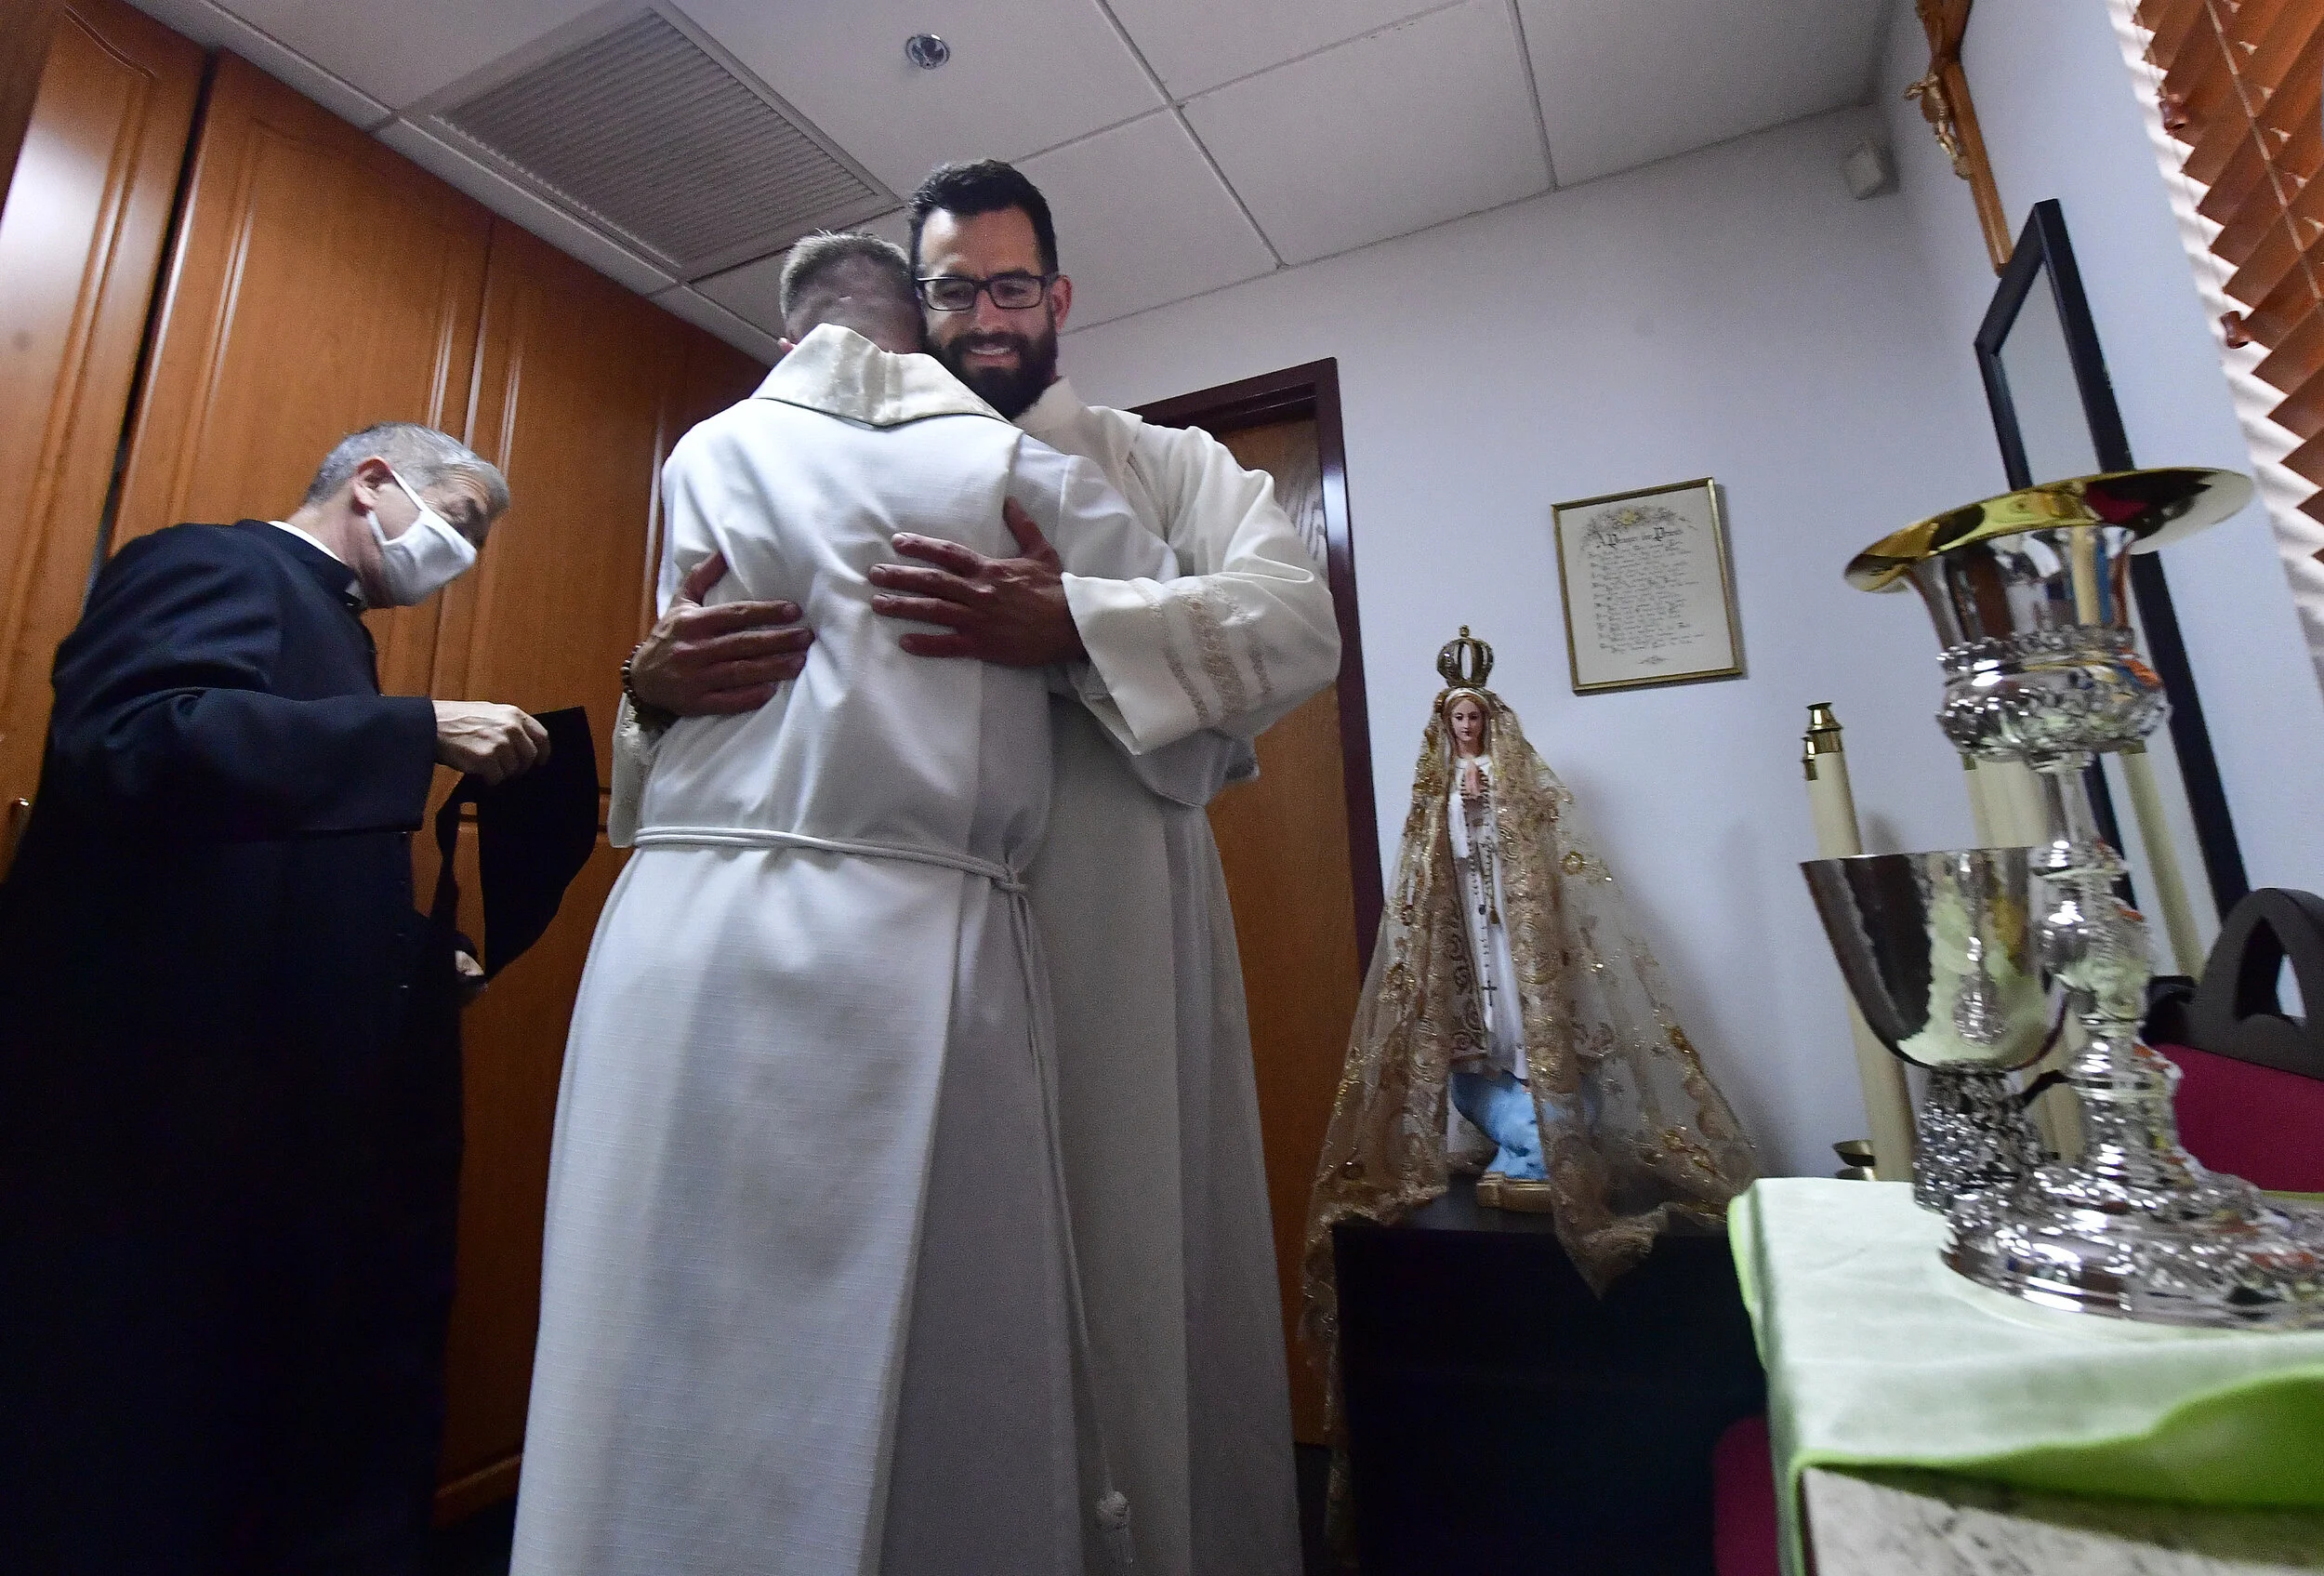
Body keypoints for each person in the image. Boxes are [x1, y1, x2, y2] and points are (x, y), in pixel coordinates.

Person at [620, 161, 1342, 1574]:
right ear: (916, 301)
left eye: (1014, 287)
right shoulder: (816, 469)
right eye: (956, 290)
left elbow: (1296, 622)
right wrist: (648, 690)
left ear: (1059, 297)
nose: (987, 316)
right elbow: (749, 741)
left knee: (1117, 1263)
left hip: (1110, 926)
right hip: (898, 967)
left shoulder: (1158, 464)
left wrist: (1071, 620)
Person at [509, 233, 1190, 1576]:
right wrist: (1084, 623)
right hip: (916, 940)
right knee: (933, 1348)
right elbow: (1193, 711)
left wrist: (645, 687)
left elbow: (679, 725)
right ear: (923, 337)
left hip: (683, 931)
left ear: (787, 342)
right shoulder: (1019, 469)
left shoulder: (702, 454)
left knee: (655, 1328)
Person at [0, 424, 546, 1574]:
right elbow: (133, 741)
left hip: (255, 1105)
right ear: (374, 481)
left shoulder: (334, 630)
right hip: (147, 1104)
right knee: (128, 1431)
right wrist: (416, 729)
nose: (463, 553)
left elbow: (260, 845)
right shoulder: (214, 563)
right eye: (460, 518)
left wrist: (406, 947)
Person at [1300, 631, 1756, 1541]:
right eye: (1456, 719)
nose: (1466, 727)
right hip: (1469, 932)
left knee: (1528, 1029)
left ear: (1491, 720)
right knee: (1481, 1032)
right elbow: (1435, 869)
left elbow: (1539, 864)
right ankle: (1510, 1141)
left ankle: (1545, 1144)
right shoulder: (1441, 793)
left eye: (1475, 717)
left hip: (1515, 931)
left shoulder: (1514, 782)